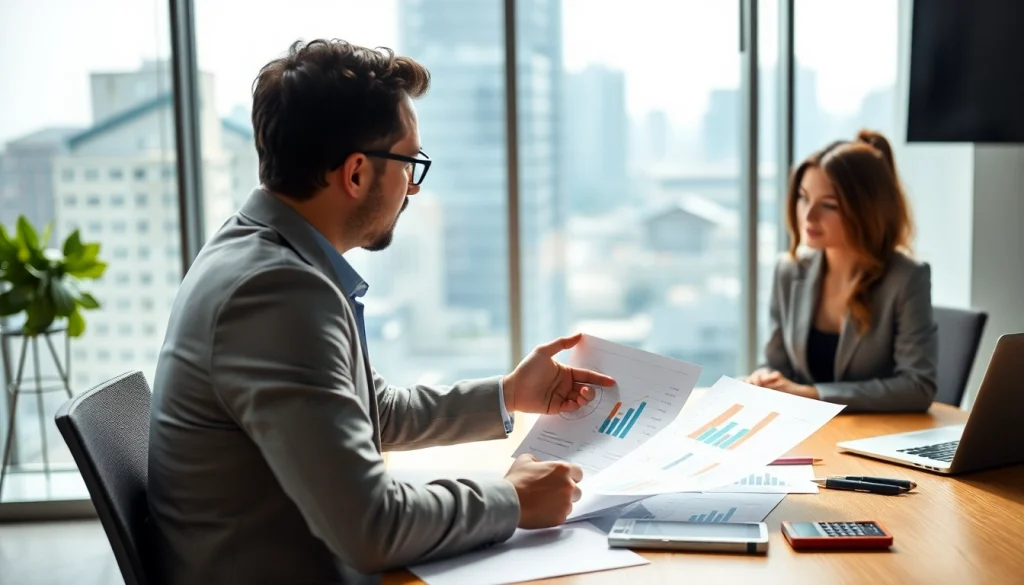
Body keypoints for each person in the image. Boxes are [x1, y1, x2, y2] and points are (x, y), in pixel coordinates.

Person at [147, 39, 615, 585]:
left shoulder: (263, 253)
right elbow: (372, 527)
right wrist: (512, 499)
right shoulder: (276, 292)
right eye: (409, 163)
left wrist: (508, 394)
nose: (412, 189)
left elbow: (371, 411)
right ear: (356, 174)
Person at [747, 130, 937, 413]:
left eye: (829, 205)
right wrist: (765, 378)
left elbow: (918, 386)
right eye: (803, 197)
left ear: (866, 210)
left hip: (873, 436)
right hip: (802, 432)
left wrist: (814, 395)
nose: (808, 216)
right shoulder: (789, 270)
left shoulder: (906, 278)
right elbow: (777, 365)